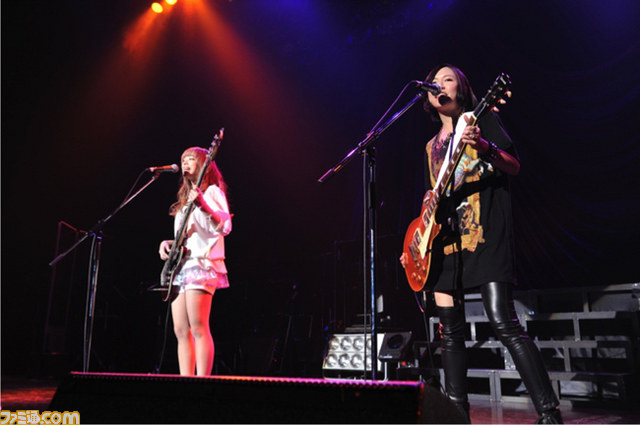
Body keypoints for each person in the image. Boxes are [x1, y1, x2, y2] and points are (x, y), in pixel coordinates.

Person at [400, 64, 562, 424]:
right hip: (446, 246)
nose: (439, 85)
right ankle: (458, 415)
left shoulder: (480, 119)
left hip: (485, 234)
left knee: (503, 322)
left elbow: (514, 166)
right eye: (434, 82)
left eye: (448, 79)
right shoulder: (430, 147)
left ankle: (548, 413)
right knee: (450, 334)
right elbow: (432, 201)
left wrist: (484, 147)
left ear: (462, 88)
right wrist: (415, 243)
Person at [159, 147, 232, 376]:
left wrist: (203, 204)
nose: (185, 163)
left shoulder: (211, 193)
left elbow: (224, 226)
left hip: (201, 264)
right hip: (180, 266)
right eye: (183, 159)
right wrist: (168, 243)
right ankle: (185, 381)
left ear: (203, 165)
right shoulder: (184, 201)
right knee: (180, 330)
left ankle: (202, 382)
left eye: (190, 159)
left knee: (198, 326)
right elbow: (190, 234)